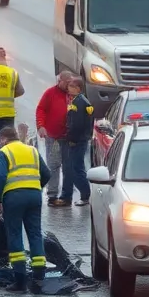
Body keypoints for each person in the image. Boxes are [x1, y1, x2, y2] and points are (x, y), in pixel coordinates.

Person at [0, 125, 49, 293]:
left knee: (15, 234)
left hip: (13, 198)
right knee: (35, 233)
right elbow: (46, 173)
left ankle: (20, 281)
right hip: (34, 196)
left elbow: (0, 176)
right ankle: (39, 277)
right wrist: (34, 187)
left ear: (3, 139)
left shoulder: (3, 153)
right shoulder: (31, 150)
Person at [35, 71, 72, 207]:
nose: (69, 85)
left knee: (68, 166)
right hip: (53, 137)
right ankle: (52, 195)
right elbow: (41, 109)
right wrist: (41, 126)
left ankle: (67, 196)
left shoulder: (73, 94)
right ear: (60, 81)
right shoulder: (50, 93)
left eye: (70, 82)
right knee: (53, 165)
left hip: (68, 138)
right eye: (66, 82)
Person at [58, 77, 94, 207]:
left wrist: (72, 139)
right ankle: (85, 194)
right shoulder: (81, 101)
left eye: (72, 86)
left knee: (76, 168)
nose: (69, 88)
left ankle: (85, 195)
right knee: (77, 167)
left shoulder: (79, 102)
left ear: (78, 88)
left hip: (77, 140)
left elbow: (77, 124)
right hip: (81, 139)